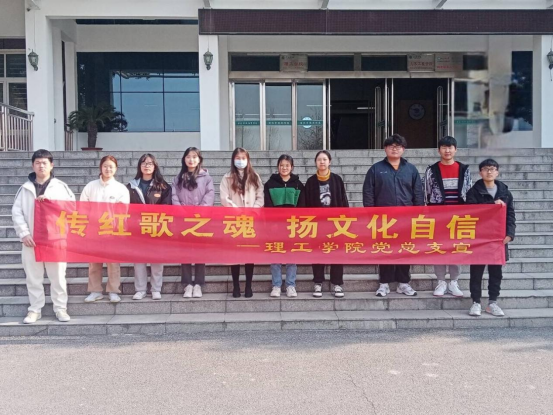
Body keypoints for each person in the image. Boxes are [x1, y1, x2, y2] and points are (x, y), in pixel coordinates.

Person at [12, 149, 76, 324]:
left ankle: (60, 308)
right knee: (33, 277)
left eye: (44, 163)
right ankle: (35, 309)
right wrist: (24, 233)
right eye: (38, 163)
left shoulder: (61, 187)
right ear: (33, 165)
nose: (41, 166)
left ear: (51, 165)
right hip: (32, 241)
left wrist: (51, 202)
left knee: (58, 277)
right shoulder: (25, 189)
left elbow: (72, 209)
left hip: (55, 240)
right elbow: (17, 213)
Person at [363, 134, 424, 297]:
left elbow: (418, 193)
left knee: (405, 249)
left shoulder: (411, 169)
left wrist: (418, 214)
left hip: (406, 218)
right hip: (383, 219)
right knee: (385, 250)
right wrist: (371, 215)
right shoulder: (376, 169)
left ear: (403, 149)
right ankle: (384, 283)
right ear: (385, 149)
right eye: (391, 146)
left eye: (398, 146)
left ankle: (403, 283)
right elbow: (368, 193)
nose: (395, 149)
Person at [424, 136, 472, 297]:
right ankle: (441, 281)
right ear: (439, 150)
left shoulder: (464, 169)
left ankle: (454, 281)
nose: (447, 150)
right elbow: (426, 193)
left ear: (455, 150)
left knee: (456, 249)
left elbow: (469, 191)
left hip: (459, 217)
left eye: (450, 147)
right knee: (438, 248)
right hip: (438, 217)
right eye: (444, 147)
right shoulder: (431, 170)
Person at [466, 159, 516, 317]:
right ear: (480, 172)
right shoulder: (473, 192)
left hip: (498, 239)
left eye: (492, 169)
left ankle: (492, 302)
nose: (489, 172)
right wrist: (492, 205)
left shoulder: (505, 192)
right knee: (476, 272)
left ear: (497, 172)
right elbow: (471, 213)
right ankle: (476, 302)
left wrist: (510, 234)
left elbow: (510, 215)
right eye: (486, 169)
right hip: (479, 239)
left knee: (496, 272)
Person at [81, 155, 130, 303]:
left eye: (111, 167)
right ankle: (95, 291)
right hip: (93, 231)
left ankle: (113, 291)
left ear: (116, 169)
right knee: (94, 263)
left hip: (112, 231)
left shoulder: (120, 188)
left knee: (113, 263)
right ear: (100, 168)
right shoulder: (90, 186)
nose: (108, 169)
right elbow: (83, 207)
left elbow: (124, 212)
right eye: (105, 166)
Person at [220, 147, 264, 298]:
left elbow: (260, 197)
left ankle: (248, 286)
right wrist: (237, 211)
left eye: (243, 158)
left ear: (248, 159)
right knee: (235, 254)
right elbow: (224, 198)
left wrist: (253, 210)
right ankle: (236, 286)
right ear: (233, 160)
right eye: (237, 158)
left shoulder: (255, 177)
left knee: (249, 253)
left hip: (250, 221)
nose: (240, 161)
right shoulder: (227, 178)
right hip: (234, 221)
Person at [127, 153, 172, 301]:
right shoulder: (131, 186)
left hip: (157, 228)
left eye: (150, 163)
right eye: (144, 163)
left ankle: (156, 289)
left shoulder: (163, 186)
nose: (147, 166)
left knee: (157, 260)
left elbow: (167, 207)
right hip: (137, 229)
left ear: (155, 166)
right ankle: (140, 290)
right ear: (139, 166)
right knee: (139, 261)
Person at [304, 150, 348, 298]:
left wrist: (345, 220)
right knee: (317, 253)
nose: (322, 162)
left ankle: (337, 284)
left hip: (336, 224)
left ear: (329, 162)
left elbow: (343, 201)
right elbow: (306, 204)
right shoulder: (311, 181)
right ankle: (318, 282)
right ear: (315, 162)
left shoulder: (337, 180)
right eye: (319, 160)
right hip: (317, 225)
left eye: (324, 159)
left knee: (337, 253)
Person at [172, 147, 214, 299]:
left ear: (199, 159)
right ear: (184, 159)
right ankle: (188, 284)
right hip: (183, 220)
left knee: (200, 251)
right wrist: (182, 211)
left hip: (200, 221)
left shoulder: (206, 177)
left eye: (194, 156)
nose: (191, 159)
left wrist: (199, 212)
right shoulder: (178, 178)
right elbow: (174, 196)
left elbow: (210, 195)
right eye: (188, 157)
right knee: (185, 252)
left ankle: (198, 284)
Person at [264, 154, 305, 298]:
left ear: (292, 167)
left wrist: (298, 223)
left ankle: (290, 285)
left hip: (292, 226)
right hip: (275, 226)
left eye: (287, 165)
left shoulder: (298, 185)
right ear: (278, 167)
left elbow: (302, 206)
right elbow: (267, 205)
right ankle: (276, 285)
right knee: (275, 255)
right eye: (281, 165)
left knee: (292, 256)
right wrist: (273, 223)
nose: (284, 168)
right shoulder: (270, 184)